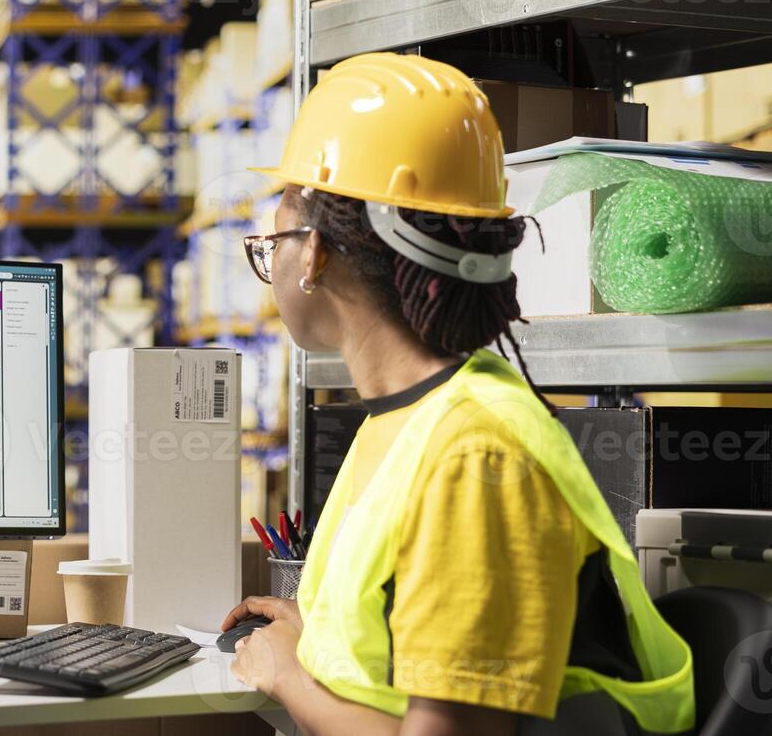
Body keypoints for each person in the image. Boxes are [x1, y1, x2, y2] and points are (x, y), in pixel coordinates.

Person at [221, 54, 693, 735]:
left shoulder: (478, 456)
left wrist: (289, 676)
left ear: (317, 253)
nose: (273, 261)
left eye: (272, 242)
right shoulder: (407, 419)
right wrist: (317, 640)